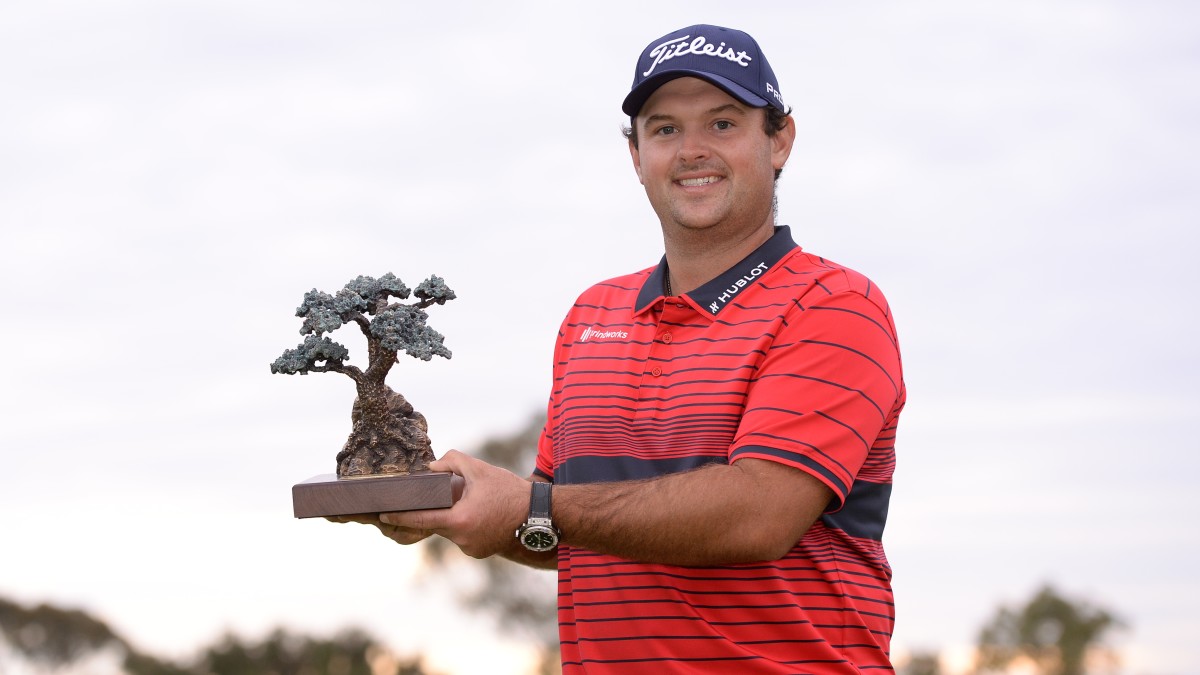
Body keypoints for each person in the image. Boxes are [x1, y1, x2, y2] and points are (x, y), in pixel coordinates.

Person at [343, 24, 906, 674]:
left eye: (722, 124)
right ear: (636, 155)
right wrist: (468, 511)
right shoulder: (591, 316)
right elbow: (569, 532)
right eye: (664, 129)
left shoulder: (834, 304)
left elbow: (759, 514)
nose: (692, 150)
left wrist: (529, 504)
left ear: (779, 140)